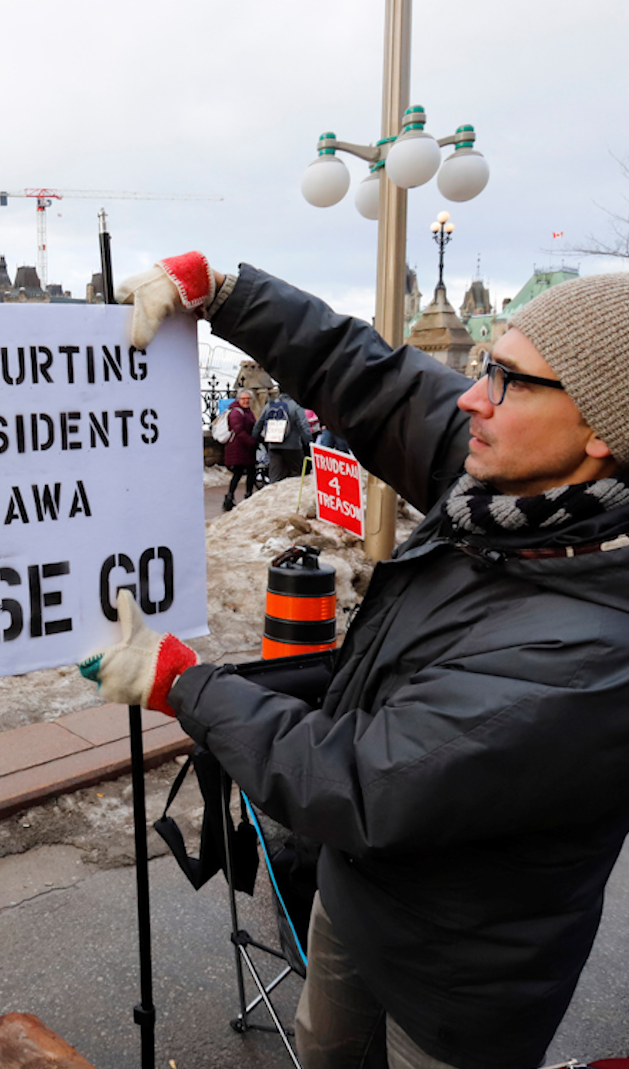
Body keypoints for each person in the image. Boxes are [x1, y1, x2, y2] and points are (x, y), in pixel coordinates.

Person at [83, 252, 629, 1069]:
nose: (472, 397)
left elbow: (357, 779)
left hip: (457, 981)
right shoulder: (515, 487)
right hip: (356, 898)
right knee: (325, 1049)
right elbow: (377, 381)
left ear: (601, 430)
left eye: (507, 380)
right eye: (485, 366)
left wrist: (184, 684)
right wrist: (225, 292)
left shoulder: (589, 653)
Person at [253, 387, 313, 483]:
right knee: (295, 476)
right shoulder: (296, 406)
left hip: (274, 445)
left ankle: (274, 492)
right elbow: (303, 425)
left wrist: (256, 439)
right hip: (293, 446)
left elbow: (258, 424)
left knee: (275, 476)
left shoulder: (270, 405)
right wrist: (309, 442)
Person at [222, 387, 257, 510]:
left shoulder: (247, 411)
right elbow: (238, 430)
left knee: (251, 472)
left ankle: (247, 495)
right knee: (238, 473)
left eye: (248, 398)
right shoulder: (236, 413)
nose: (246, 401)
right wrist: (251, 442)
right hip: (238, 448)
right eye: (243, 399)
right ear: (238, 399)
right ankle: (229, 498)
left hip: (246, 449)